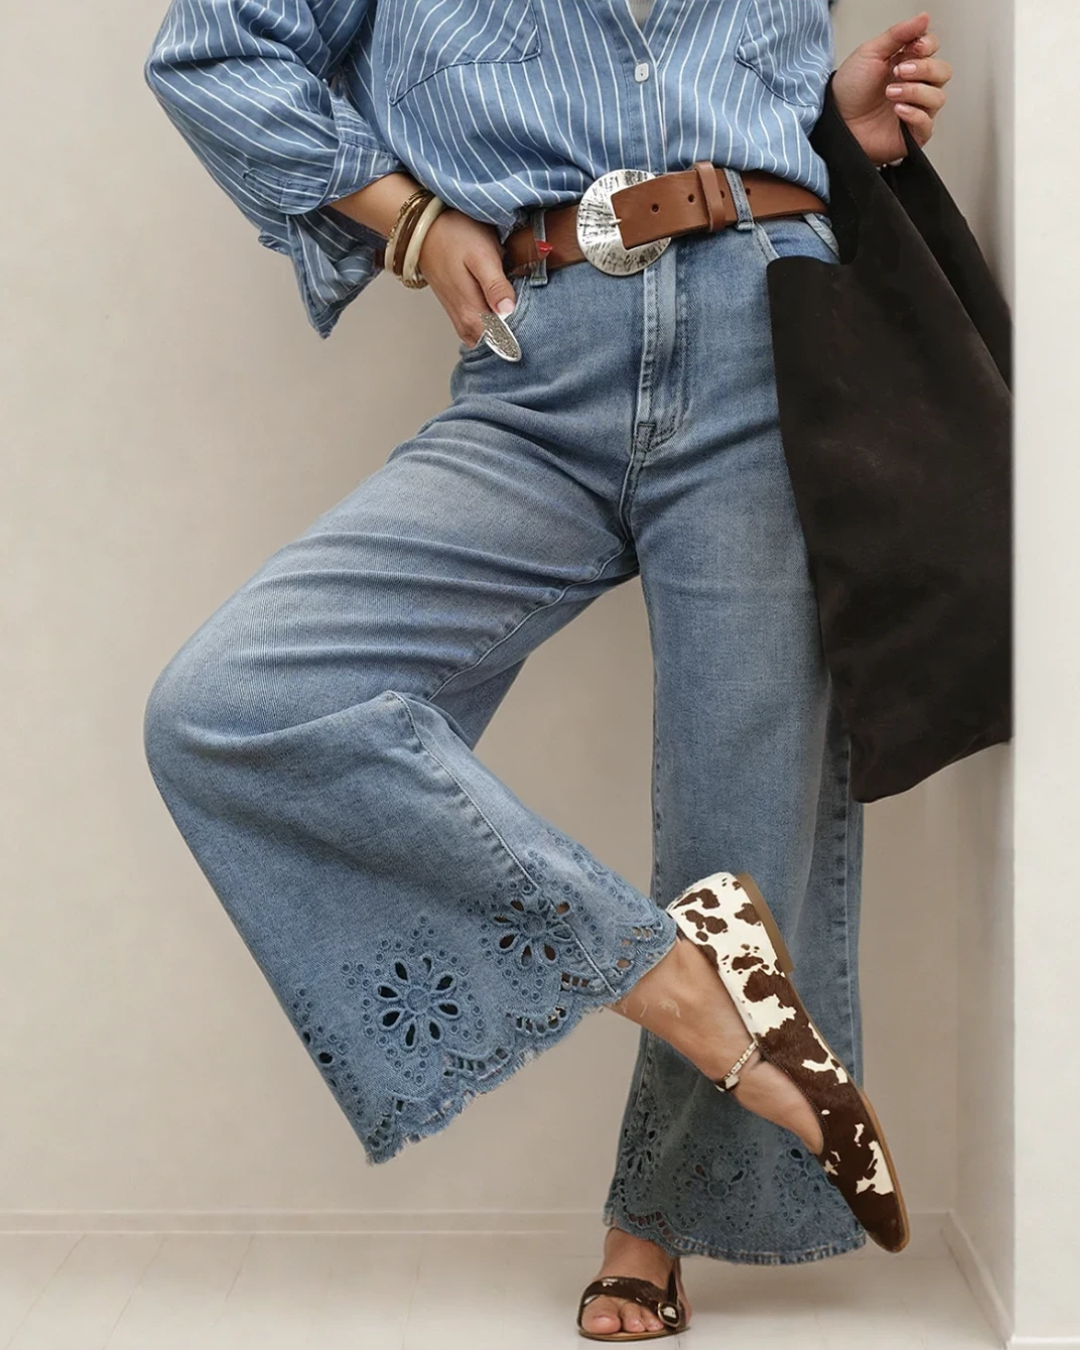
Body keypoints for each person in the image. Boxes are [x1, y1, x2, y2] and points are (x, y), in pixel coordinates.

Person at [140, 1, 951, 1339]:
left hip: (770, 329)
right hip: (536, 356)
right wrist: (410, 220)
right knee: (234, 703)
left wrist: (823, 133)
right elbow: (216, 48)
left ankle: (653, 1227)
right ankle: (680, 985)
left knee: (741, 817)